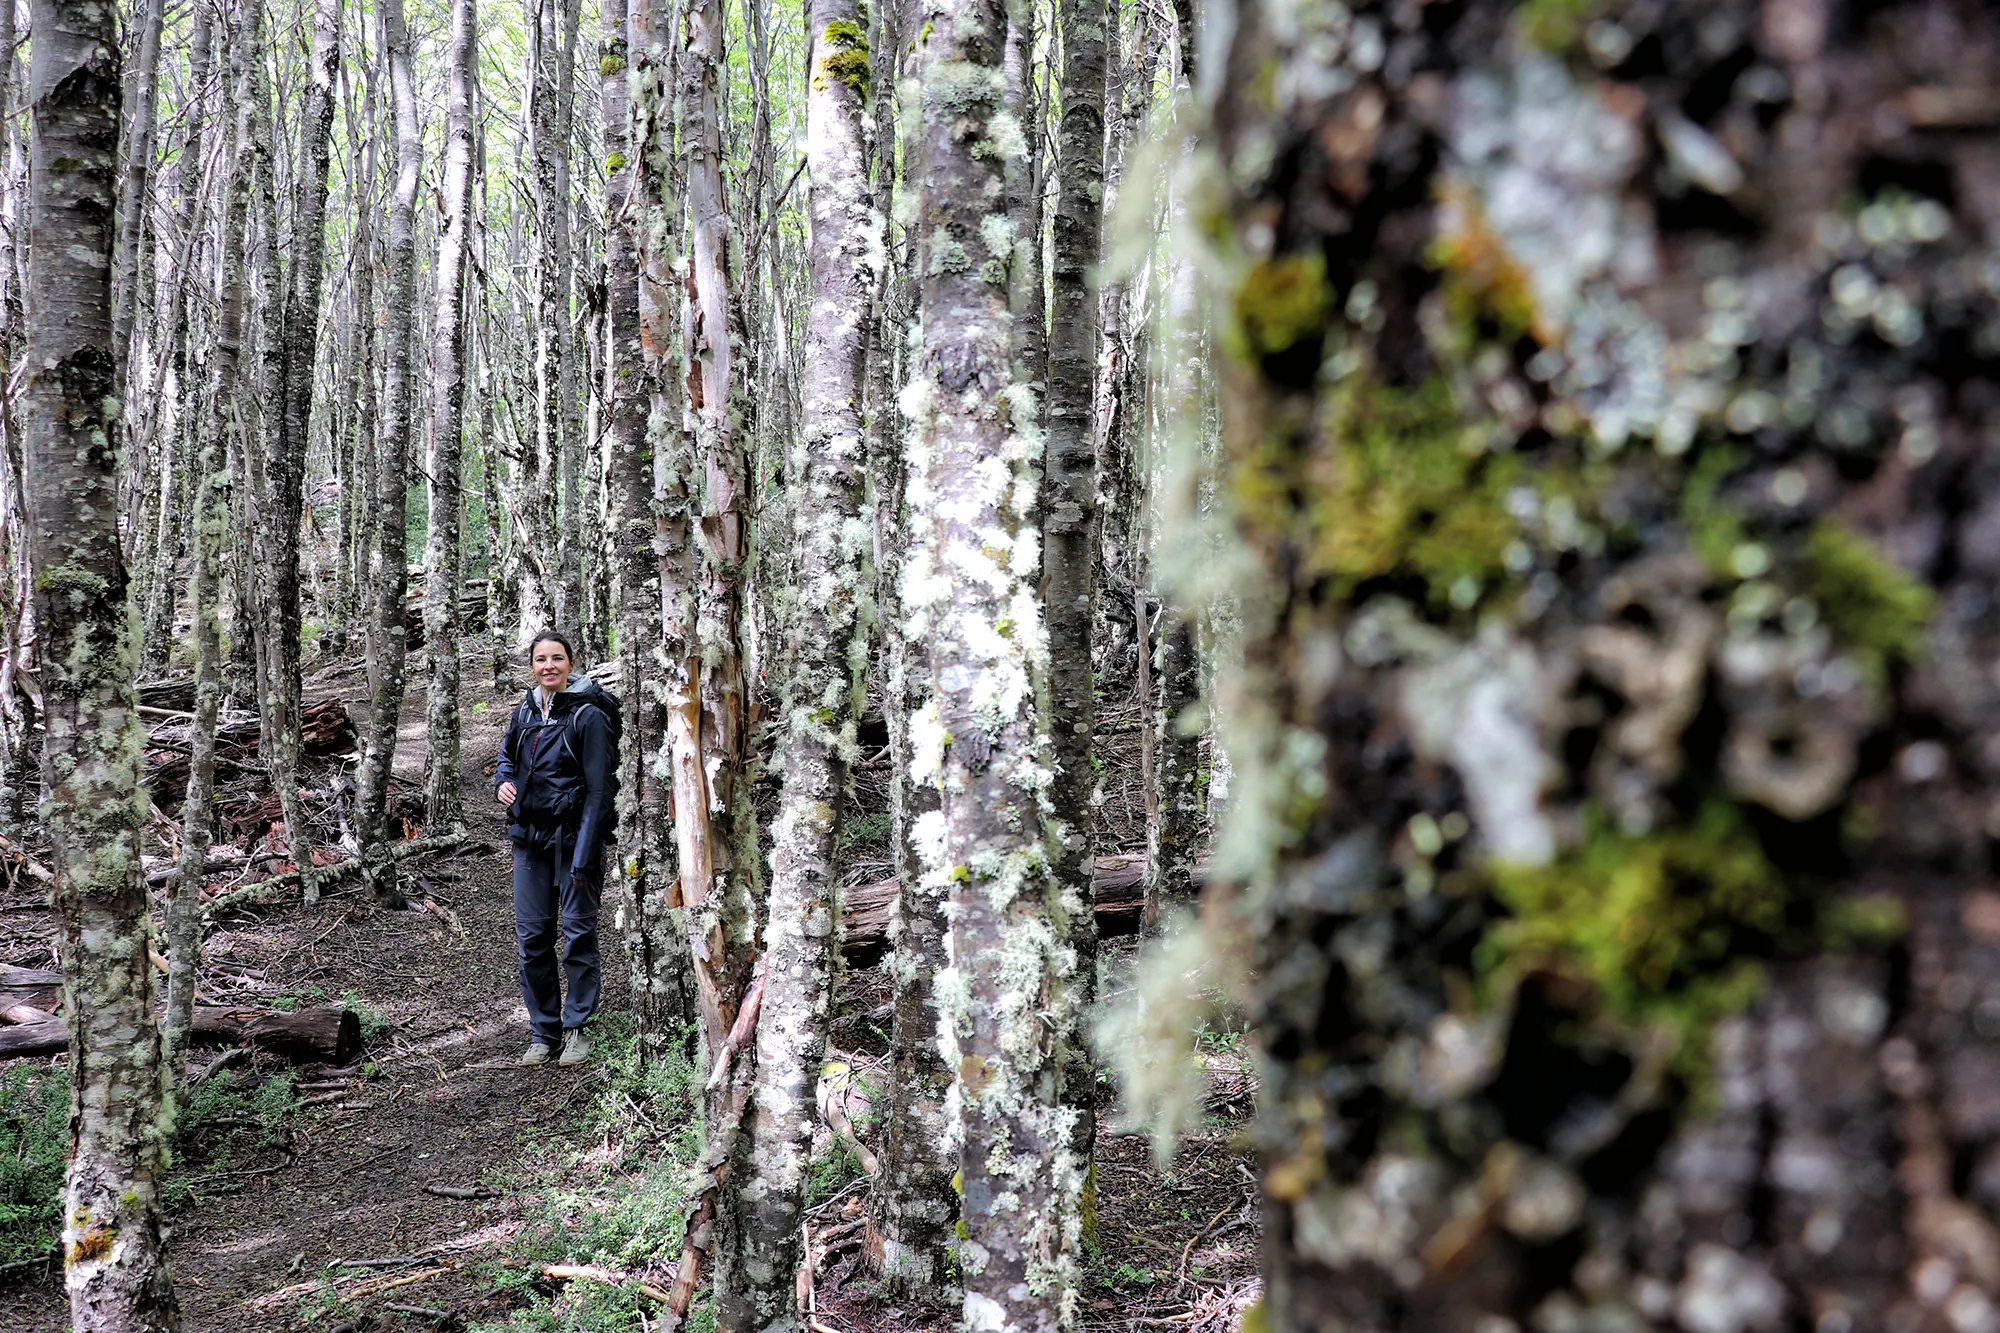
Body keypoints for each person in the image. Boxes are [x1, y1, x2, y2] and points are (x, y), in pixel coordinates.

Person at [494, 632, 614, 1066]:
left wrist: (585, 856)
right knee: (532, 939)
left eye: (557, 658)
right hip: (529, 842)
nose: (549, 666)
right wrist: (502, 783)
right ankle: (543, 1032)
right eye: (541, 659)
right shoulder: (525, 710)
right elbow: (507, 757)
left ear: (570, 662)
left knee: (578, 935)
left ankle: (577, 1027)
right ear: (532, 665)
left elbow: (600, 793)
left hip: (575, 843)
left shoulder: (588, 716)